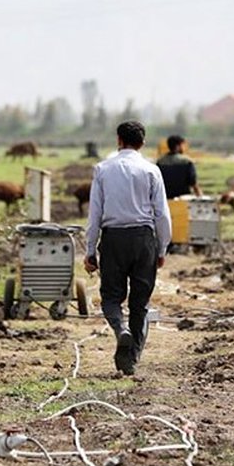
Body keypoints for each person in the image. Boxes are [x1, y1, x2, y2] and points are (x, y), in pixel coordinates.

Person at [84, 121, 172, 376]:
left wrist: (90, 250)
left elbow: (95, 213)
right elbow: (162, 214)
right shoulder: (151, 170)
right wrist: (162, 248)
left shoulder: (102, 169)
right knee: (140, 303)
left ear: (119, 140)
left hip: (113, 240)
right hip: (143, 239)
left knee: (111, 297)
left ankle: (120, 329)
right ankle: (131, 359)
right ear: (142, 143)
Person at [156, 134, 203, 199]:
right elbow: (193, 183)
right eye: (183, 145)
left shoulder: (160, 162)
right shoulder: (187, 162)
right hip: (183, 200)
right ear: (177, 146)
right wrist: (200, 197)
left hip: (166, 199)